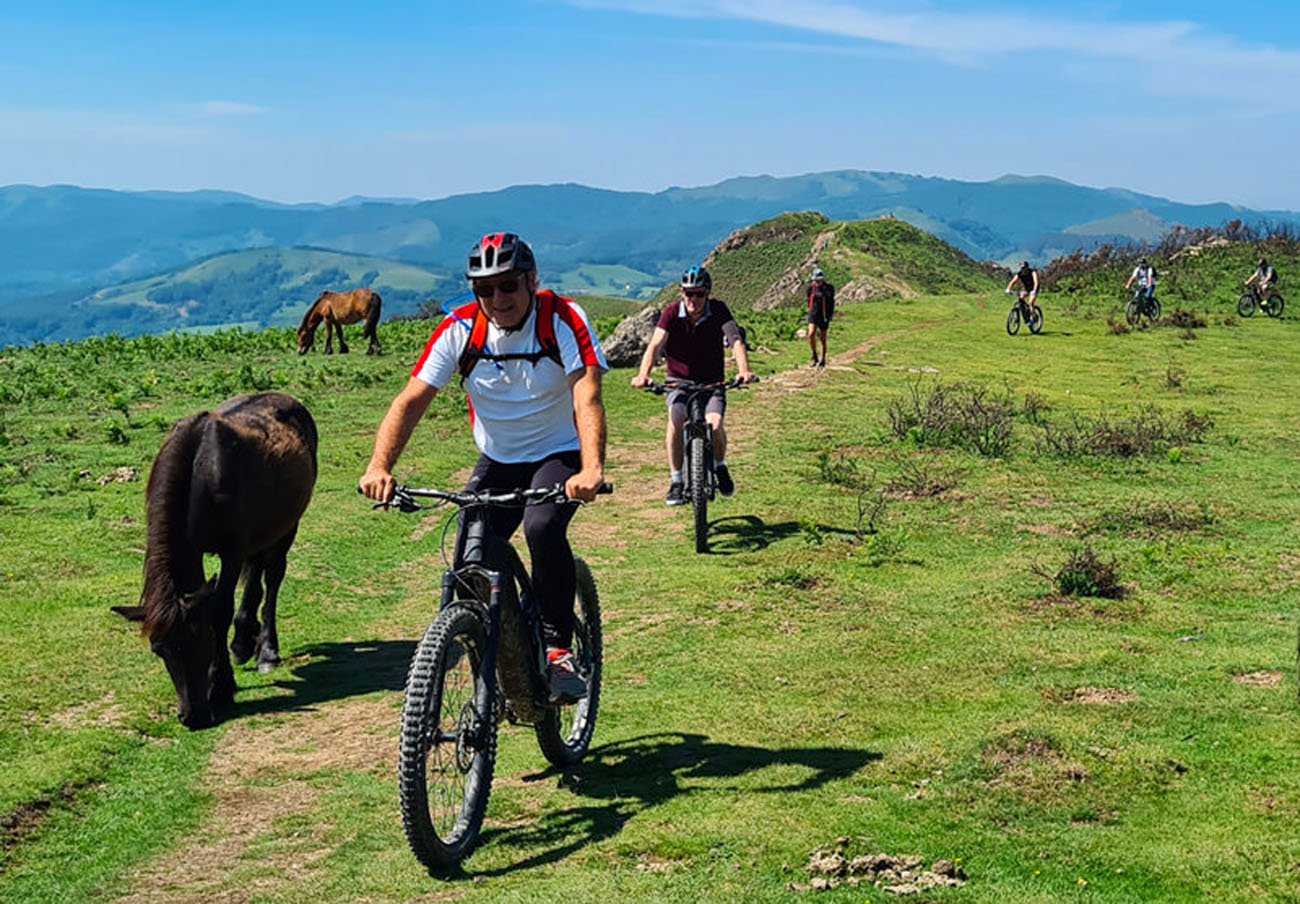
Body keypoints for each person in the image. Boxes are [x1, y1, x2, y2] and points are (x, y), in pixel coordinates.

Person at [359, 232, 607, 702]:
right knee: (471, 551)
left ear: (532, 280)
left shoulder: (563, 320)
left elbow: (587, 394)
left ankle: (557, 650)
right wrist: (379, 466)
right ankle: (497, 647)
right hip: (499, 455)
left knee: (541, 527)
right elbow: (410, 402)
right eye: (485, 289)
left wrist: (591, 468)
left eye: (509, 285)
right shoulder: (460, 328)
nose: (498, 298)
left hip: (559, 452)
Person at [630, 265, 757, 506]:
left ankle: (720, 466)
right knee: (677, 418)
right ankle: (676, 480)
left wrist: (743, 371)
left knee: (715, 423)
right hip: (678, 383)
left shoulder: (718, 310)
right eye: (689, 294)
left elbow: (735, 340)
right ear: (681, 293)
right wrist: (643, 375)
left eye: (699, 294)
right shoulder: (670, 313)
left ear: (707, 293)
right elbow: (655, 345)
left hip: (712, 382)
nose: (693, 299)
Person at [805, 267, 836, 368]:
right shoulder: (810, 289)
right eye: (815, 280)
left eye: (818, 280)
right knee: (811, 334)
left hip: (824, 316)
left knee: (823, 338)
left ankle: (823, 359)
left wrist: (829, 315)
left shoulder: (829, 288)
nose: (817, 282)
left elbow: (831, 302)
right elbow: (808, 301)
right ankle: (814, 355)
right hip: (813, 314)